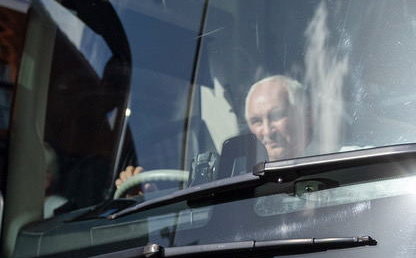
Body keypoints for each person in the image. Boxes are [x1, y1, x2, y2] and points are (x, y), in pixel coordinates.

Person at [116, 74, 313, 194]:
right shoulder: (233, 182)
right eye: (256, 121)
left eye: (277, 116)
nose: (267, 131)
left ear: (303, 116)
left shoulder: (336, 165)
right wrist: (147, 199)